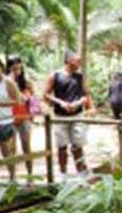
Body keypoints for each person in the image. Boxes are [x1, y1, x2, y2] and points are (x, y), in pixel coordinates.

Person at [43, 51, 90, 179]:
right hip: (60, 116)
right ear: (68, 61)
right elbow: (46, 94)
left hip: (77, 115)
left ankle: (81, 174)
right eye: (77, 60)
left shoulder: (80, 77)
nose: (79, 63)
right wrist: (61, 103)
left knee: (78, 145)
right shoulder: (55, 76)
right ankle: (63, 174)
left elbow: (86, 95)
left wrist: (78, 102)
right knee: (61, 146)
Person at [7, 57, 35, 179]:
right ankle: (12, 177)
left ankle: (30, 176)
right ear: (9, 69)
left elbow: (27, 98)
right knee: (11, 149)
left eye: (19, 68)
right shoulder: (4, 82)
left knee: (26, 147)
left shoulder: (26, 82)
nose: (17, 71)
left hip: (24, 117)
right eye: (14, 69)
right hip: (9, 118)